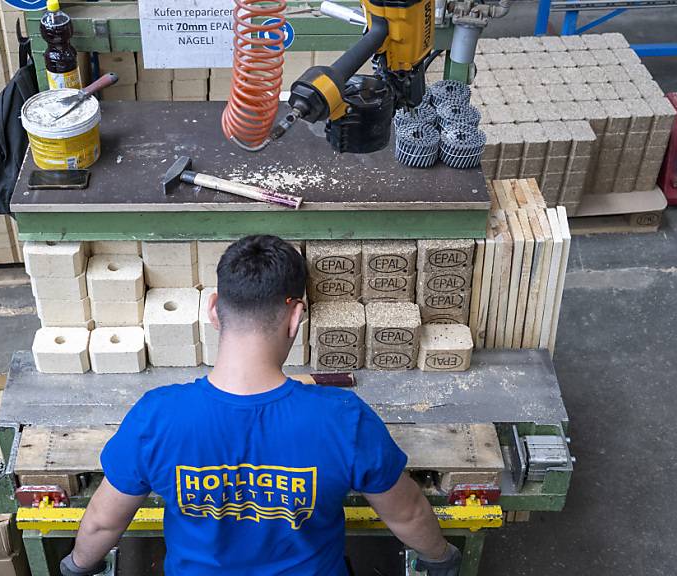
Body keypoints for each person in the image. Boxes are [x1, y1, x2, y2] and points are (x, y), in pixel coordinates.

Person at [60, 235, 461, 576]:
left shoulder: (157, 416)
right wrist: (441, 557)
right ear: (296, 316)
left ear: (215, 309)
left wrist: (77, 566)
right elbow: (407, 514)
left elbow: (102, 523)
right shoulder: (343, 417)